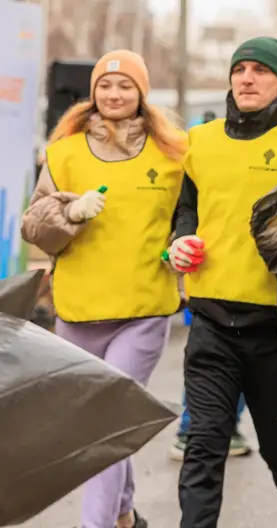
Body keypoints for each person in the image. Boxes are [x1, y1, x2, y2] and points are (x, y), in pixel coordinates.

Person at [168, 37, 277, 528]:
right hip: (211, 323)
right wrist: (181, 241)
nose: (246, 78)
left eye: (260, 70)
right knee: (203, 445)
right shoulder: (199, 141)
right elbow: (186, 210)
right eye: (238, 68)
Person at [20, 49, 187, 528]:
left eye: (125, 86)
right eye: (105, 86)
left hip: (144, 309)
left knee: (106, 425)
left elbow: (190, 220)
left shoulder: (173, 153)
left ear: (141, 94)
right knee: (101, 427)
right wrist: (68, 213)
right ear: (93, 93)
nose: (114, 95)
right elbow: (35, 228)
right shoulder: (64, 152)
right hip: (78, 312)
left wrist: (181, 246)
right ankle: (124, 513)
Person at [170, 106, 252, 461]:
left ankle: (204, 427)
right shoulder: (199, 158)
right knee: (213, 363)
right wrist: (181, 242)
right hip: (207, 284)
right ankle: (194, 428)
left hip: (233, 284)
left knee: (220, 364)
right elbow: (184, 212)